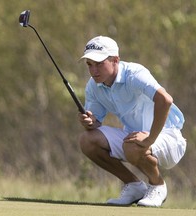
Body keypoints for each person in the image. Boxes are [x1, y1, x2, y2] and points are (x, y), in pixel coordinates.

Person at [78, 36, 187, 207]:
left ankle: (157, 185)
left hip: (169, 138)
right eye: (90, 65)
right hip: (133, 140)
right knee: (87, 140)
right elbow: (95, 121)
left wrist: (150, 139)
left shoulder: (134, 74)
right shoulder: (94, 86)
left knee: (133, 144)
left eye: (99, 64)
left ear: (115, 60)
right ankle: (134, 185)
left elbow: (165, 99)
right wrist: (89, 121)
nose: (94, 71)